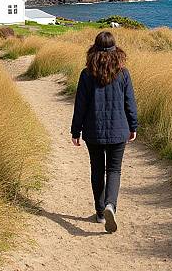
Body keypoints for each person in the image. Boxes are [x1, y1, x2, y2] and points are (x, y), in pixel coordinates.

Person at [71, 31, 138, 233]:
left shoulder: (86, 74)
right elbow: (130, 104)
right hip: (119, 131)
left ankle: (100, 213)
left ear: (94, 49)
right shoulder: (123, 73)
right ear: (115, 49)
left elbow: (80, 106)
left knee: (97, 170)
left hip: (93, 131)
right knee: (114, 170)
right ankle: (111, 204)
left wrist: (75, 131)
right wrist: (133, 126)